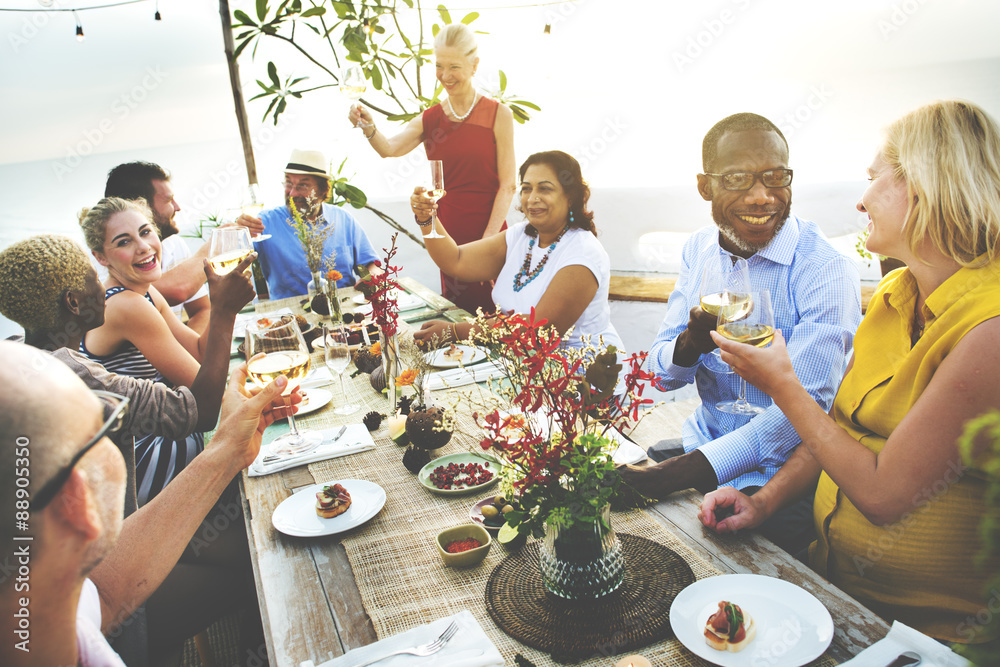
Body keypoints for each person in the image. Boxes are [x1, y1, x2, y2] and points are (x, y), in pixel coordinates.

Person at [700, 100, 1000, 644]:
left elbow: (885, 497)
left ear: (926, 185)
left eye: (872, 179)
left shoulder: (991, 329)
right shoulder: (893, 294)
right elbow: (837, 430)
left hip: (928, 636)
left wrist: (782, 386)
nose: (860, 200)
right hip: (832, 584)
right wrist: (764, 501)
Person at [619, 113, 861, 554]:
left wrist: (673, 476)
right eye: (737, 179)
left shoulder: (825, 267)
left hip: (780, 476)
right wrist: (690, 345)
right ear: (704, 186)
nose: (761, 196)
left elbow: (809, 405)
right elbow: (660, 377)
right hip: (703, 438)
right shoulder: (698, 248)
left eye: (775, 177)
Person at [0, 341, 293, 667]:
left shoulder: (39, 599)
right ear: (75, 503)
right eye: (104, 428)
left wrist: (228, 449)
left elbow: (103, 594)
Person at [78, 197, 256, 505]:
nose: (144, 247)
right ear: (100, 257)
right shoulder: (124, 305)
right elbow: (204, 406)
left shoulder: (144, 293)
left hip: (169, 436)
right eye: (124, 242)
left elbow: (200, 355)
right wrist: (225, 311)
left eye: (146, 232)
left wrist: (222, 302)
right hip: (145, 462)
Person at [349, 22, 516, 314]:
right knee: (458, 316)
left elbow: (508, 185)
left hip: (490, 231)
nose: (445, 76)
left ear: (475, 65)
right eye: (439, 66)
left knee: (498, 315)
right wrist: (368, 126)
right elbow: (389, 149)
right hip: (447, 235)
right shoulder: (431, 118)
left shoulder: (498, 114)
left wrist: (488, 240)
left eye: (454, 67)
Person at [410, 150, 623, 357]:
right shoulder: (522, 236)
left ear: (571, 197)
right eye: (526, 188)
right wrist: (428, 219)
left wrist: (456, 331)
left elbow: (539, 331)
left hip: (577, 374)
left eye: (545, 189)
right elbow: (455, 261)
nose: (532, 198)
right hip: (517, 360)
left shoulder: (583, 252)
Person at [104, 161, 249, 333]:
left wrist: (188, 349)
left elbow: (202, 309)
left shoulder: (175, 244)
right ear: (141, 206)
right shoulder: (107, 259)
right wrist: (214, 247)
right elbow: (176, 290)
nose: (177, 207)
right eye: (168, 200)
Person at [239, 149, 381, 300]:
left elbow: (371, 265)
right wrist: (239, 232)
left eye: (303, 185)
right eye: (288, 183)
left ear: (322, 190)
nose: (292, 193)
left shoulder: (343, 219)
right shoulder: (264, 223)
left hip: (346, 310)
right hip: (289, 315)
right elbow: (235, 262)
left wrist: (372, 278)